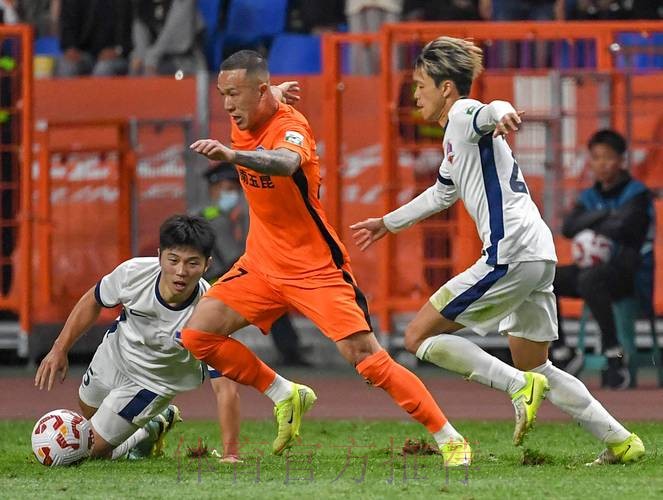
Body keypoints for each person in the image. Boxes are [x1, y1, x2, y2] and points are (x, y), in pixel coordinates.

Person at [182, 49, 506, 466]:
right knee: (198, 336)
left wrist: (234, 156)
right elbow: (261, 99)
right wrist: (272, 92)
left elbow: (284, 163)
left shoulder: (291, 126)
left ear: (258, 91)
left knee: (367, 361)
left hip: (314, 268)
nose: (227, 105)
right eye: (223, 95)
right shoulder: (249, 108)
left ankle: (450, 438)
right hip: (261, 264)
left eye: (234, 94)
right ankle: (285, 393)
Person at [350, 36, 644, 465]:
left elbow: (490, 110)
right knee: (537, 366)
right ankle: (620, 441)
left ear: (446, 88)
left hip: (510, 252)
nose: (415, 96)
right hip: (536, 253)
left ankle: (516, 387)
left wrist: (503, 113)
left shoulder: (463, 114)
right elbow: (441, 193)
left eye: (420, 86)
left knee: (418, 337)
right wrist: (388, 223)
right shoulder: (455, 138)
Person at [33, 215, 239, 460]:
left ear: (207, 265)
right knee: (88, 410)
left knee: (90, 450)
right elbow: (93, 299)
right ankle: (150, 428)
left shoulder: (211, 312)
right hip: (114, 355)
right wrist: (60, 348)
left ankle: (147, 428)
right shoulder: (133, 273)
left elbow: (225, 387)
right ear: (160, 255)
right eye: (173, 260)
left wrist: (231, 453)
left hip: (154, 382)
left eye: (192, 263)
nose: (181, 271)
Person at [551, 129, 654, 389]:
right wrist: (607, 214)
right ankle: (562, 351)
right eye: (596, 158)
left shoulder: (637, 194)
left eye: (608, 157)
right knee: (547, 279)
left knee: (591, 279)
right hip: (593, 272)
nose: (602, 164)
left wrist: (591, 220)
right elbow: (569, 228)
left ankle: (614, 355)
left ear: (621, 160)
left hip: (629, 275)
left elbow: (624, 227)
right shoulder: (590, 196)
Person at [201, 162, 311, 367]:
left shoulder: (233, 216)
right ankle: (290, 350)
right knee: (270, 296)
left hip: (231, 276)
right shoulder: (213, 218)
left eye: (235, 189)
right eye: (227, 189)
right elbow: (232, 257)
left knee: (273, 298)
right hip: (216, 281)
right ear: (213, 190)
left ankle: (290, 349)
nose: (233, 194)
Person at [129, 0, 206, 76]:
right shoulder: (142, 4)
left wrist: (151, 57)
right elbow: (140, 36)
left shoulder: (184, 2)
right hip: (154, 61)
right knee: (135, 67)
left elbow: (173, 35)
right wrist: (140, 56)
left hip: (184, 61)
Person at [57, 0, 132, 77]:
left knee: (103, 69)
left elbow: (129, 31)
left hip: (117, 56)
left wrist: (117, 50)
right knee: (67, 66)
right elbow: (67, 24)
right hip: (83, 53)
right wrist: (70, 47)